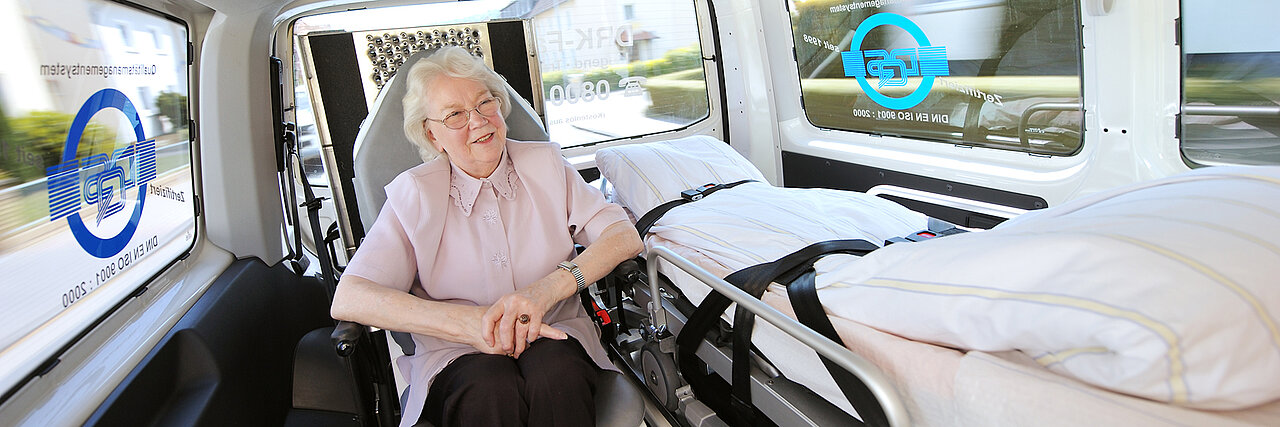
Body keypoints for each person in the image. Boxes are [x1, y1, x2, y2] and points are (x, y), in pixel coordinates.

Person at [330, 46, 643, 427]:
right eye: (455, 115)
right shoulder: (412, 194)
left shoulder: (546, 164)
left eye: (484, 103)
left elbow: (623, 235)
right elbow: (351, 296)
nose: (478, 122)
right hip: (456, 353)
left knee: (554, 371)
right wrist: (469, 324)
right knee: (488, 385)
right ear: (432, 134)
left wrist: (545, 291)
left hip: (554, 332)